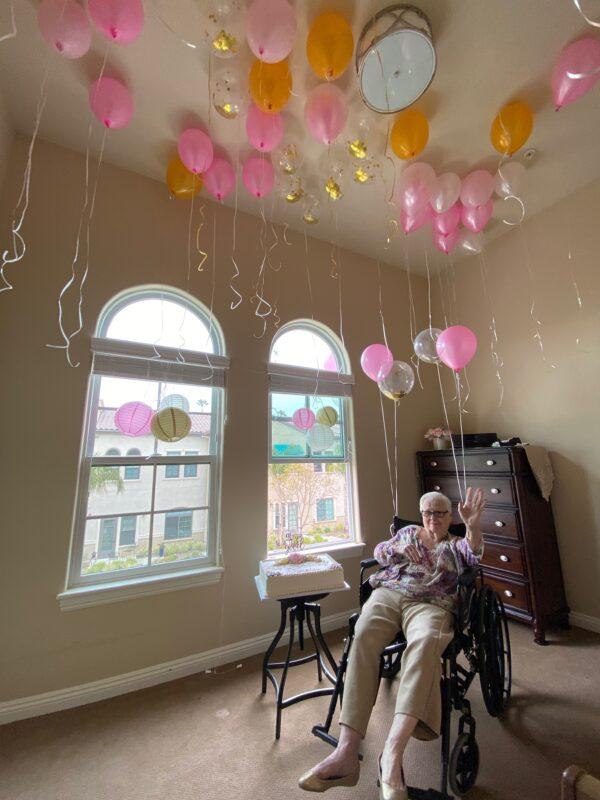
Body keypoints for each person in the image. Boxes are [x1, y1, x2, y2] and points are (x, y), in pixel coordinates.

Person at [299, 487, 485, 800]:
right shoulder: (409, 533)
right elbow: (380, 550)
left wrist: (473, 525)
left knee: (426, 643)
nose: (432, 518)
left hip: (431, 603)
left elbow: (474, 553)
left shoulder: (455, 545)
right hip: (390, 592)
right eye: (427, 513)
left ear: (449, 517)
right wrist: (397, 550)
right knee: (363, 634)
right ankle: (346, 752)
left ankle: (392, 755)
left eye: (440, 513)